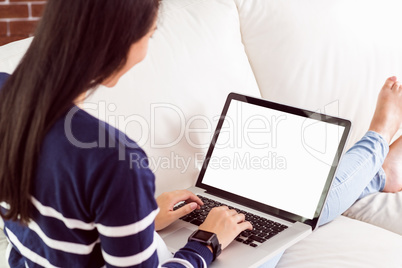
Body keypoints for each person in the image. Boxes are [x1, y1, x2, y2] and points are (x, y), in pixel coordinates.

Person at [0, 0, 401, 267]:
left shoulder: (6, 94)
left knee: (299, 205)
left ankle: (379, 163)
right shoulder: (114, 159)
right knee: (310, 209)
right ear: (123, 45)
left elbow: (52, 224)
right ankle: (379, 153)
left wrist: (136, 217)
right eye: (152, 34)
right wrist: (206, 242)